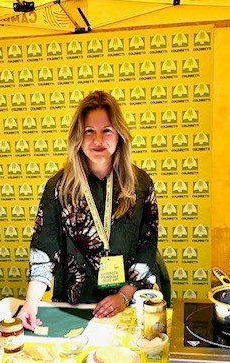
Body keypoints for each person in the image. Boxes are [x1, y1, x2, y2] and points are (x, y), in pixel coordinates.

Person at [17, 90, 159, 331]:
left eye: (107, 130)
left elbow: (147, 247)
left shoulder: (140, 185)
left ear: (120, 134)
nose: (98, 140)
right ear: (78, 137)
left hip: (126, 306)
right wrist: (30, 304)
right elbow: (44, 250)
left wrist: (123, 296)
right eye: (89, 131)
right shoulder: (59, 187)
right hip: (73, 309)